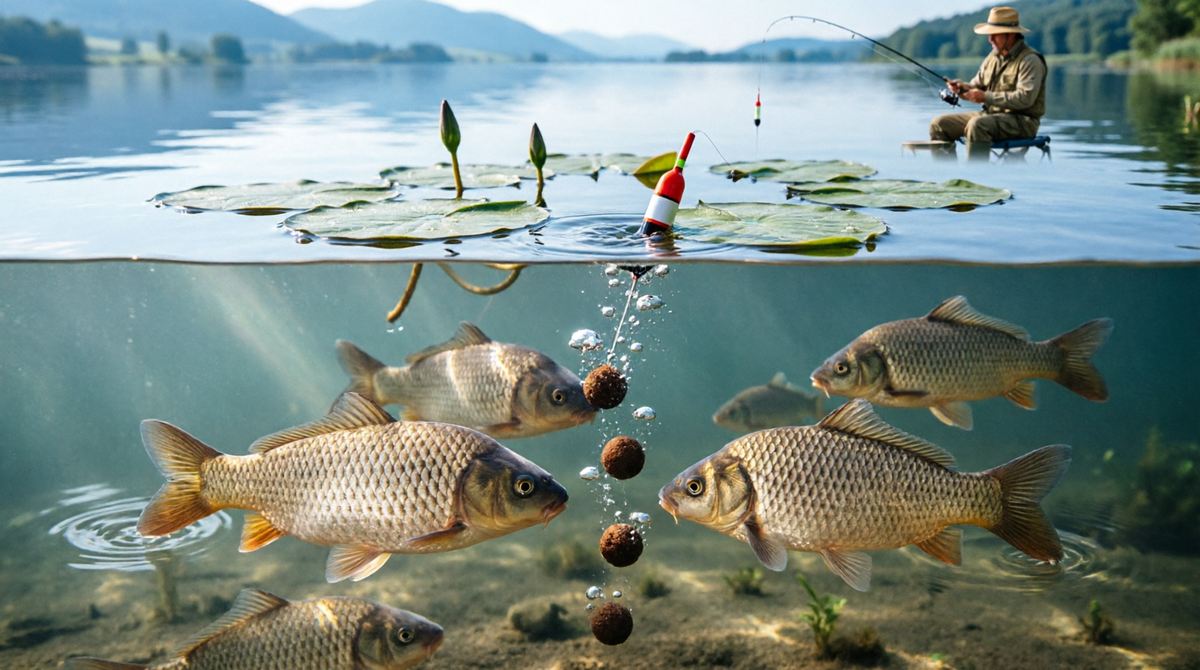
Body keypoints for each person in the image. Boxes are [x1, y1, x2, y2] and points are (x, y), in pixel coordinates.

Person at [929, 6, 1046, 159]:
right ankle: (948, 177)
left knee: (977, 125)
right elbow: (976, 87)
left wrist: (985, 97)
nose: (990, 39)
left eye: (994, 35)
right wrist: (961, 89)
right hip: (990, 115)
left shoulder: (1030, 60)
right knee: (939, 124)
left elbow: (1025, 99)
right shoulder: (993, 57)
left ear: (1010, 35)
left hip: (1023, 122)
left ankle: (978, 177)